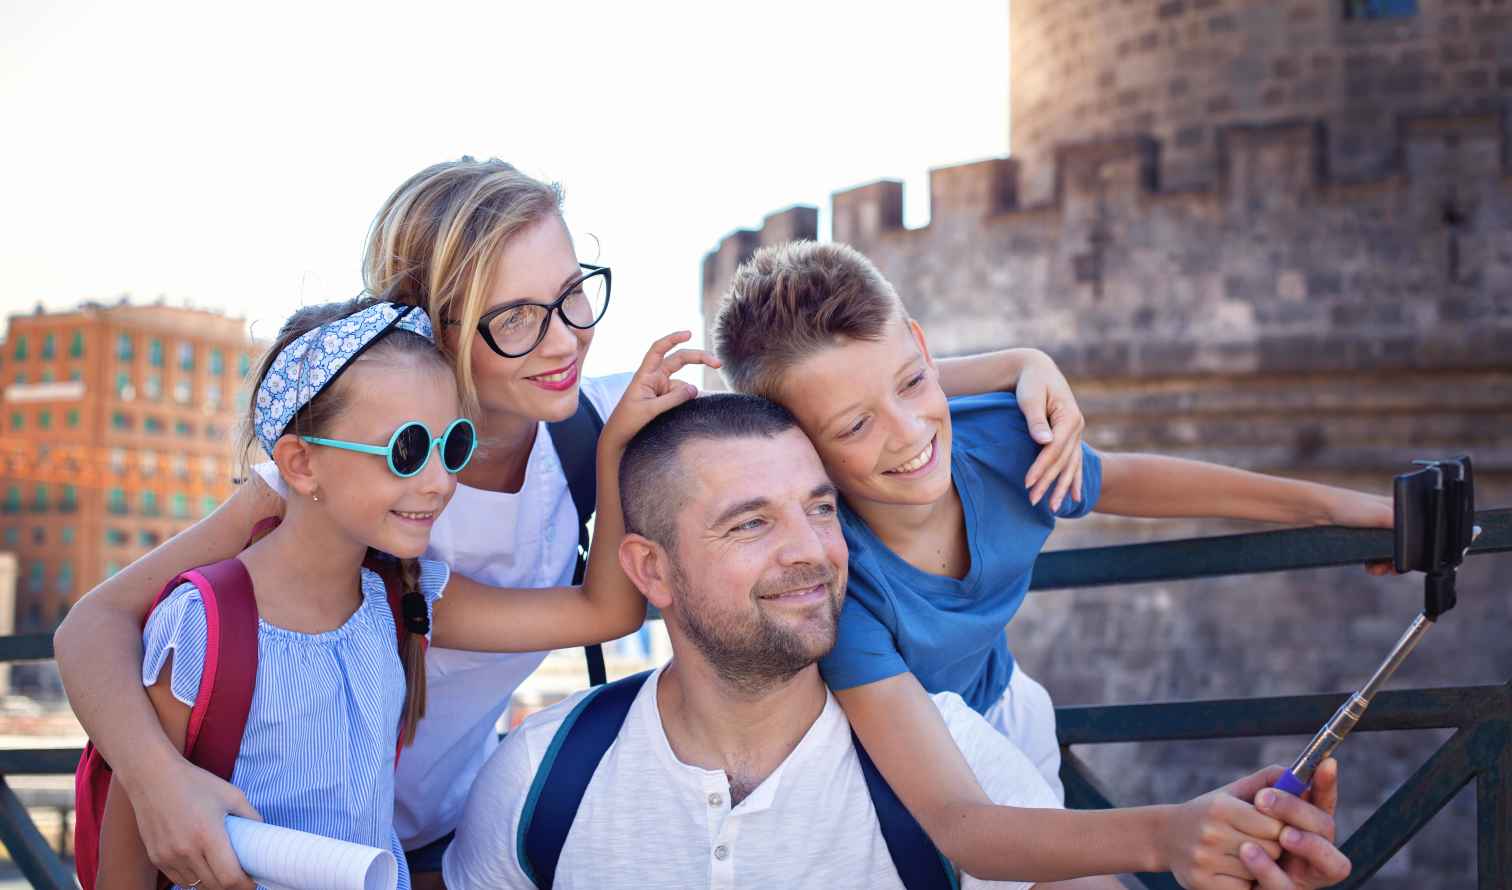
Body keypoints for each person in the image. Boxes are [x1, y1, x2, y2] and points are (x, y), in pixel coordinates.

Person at [53, 158, 1092, 889]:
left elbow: (804, 394)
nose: (562, 338)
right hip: (265, 830)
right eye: (516, 317)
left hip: (447, 830)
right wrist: (164, 784)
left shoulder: (590, 416)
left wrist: (1014, 368)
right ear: (432, 323)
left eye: (574, 295)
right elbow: (88, 629)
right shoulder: (352, 472)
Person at [442, 394, 1353, 890]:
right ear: (650, 569)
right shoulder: (539, 782)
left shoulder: (954, 762)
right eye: (750, 524)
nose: (812, 552)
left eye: (822, 508)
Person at [710, 240, 1392, 886]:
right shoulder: (836, 583)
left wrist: (1338, 509)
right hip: (890, 758)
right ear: (792, 447)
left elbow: (1132, 481)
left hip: (1008, 709)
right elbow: (961, 823)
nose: (910, 431)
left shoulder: (1002, 441)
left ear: (921, 346)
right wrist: (1171, 834)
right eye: (855, 427)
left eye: (914, 383)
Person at [94, 298, 696, 888]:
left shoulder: (405, 600)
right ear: (301, 464)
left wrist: (612, 445)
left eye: (452, 445)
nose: (439, 482)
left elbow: (607, 611)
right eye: (406, 451)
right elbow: (127, 862)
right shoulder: (203, 624)